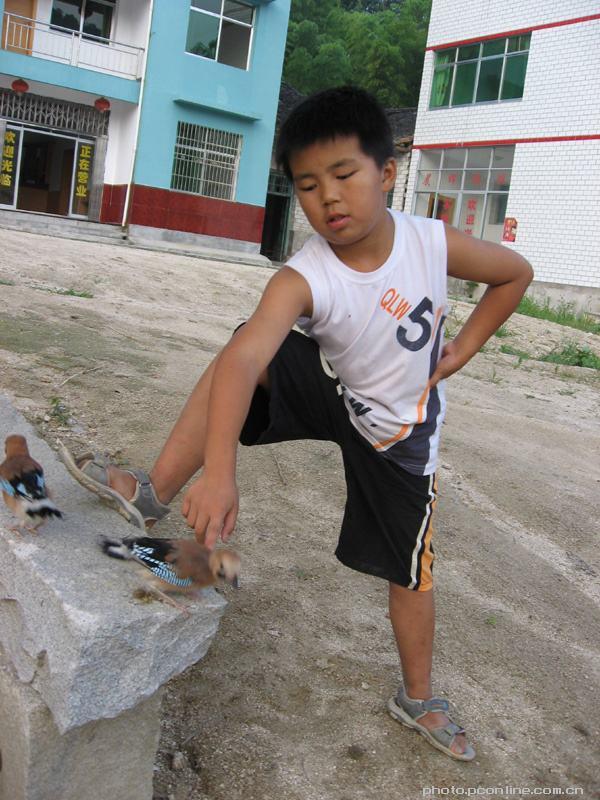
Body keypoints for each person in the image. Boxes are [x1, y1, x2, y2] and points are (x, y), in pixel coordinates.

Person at [64, 86, 533, 761]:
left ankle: (418, 697)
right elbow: (244, 360)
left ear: (387, 172)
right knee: (243, 347)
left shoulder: (430, 243)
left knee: (412, 572)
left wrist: (465, 346)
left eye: (344, 175)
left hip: (398, 439)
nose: (328, 199)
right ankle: (153, 491)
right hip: (335, 393)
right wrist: (220, 474)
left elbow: (515, 273)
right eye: (308, 186)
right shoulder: (303, 275)